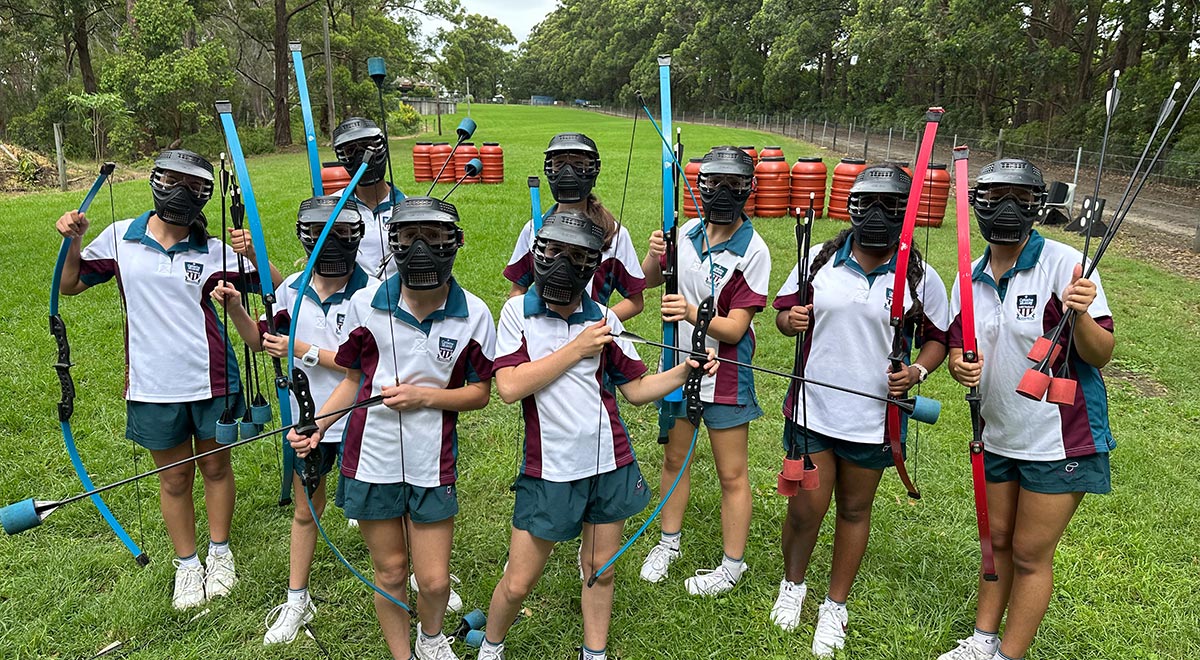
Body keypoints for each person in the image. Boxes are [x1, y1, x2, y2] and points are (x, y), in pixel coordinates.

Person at [476, 211, 716, 660]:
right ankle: (491, 646)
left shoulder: (604, 318)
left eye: (577, 256)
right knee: (519, 580)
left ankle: (595, 653)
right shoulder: (516, 312)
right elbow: (508, 387)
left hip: (610, 464)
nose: (563, 264)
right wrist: (578, 348)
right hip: (549, 469)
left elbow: (638, 390)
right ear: (538, 254)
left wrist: (687, 369)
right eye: (554, 252)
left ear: (592, 266)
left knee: (599, 570)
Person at [54, 150, 276, 609]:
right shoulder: (121, 238)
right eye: (172, 180)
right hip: (152, 385)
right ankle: (188, 565)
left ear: (205, 197)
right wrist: (72, 240)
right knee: (174, 479)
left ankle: (220, 553)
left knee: (215, 467)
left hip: (213, 379)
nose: (181, 192)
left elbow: (273, 287)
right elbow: (70, 284)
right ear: (155, 182)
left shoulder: (215, 250)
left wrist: (252, 249)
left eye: (194, 186)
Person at [287, 196, 495, 660]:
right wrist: (318, 425)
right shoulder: (366, 304)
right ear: (393, 243)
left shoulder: (475, 314)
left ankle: (430, 639)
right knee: (391, 572)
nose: (422, 249)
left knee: (436, 579)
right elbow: (352, 381)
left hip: (432, 461)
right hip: (372, 459)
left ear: (455, 243)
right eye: (407, 237)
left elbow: (480, 393)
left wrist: (426, 396)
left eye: (435, 237)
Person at [938, 159, 1115, 660]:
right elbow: (961, 344)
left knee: (1030, 554)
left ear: (1038, 205)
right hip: (997, 433)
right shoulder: (967, 277)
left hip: (1059, 438)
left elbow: (1100, 353)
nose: (1007, 209)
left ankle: (1009, 655)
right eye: (994, 197)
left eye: (1020, 197)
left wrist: (1079, 313)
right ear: (977, 205)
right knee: (995, 544)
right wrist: (957, 365)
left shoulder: (1065, 264)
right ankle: (982, 641)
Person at [770, 164, 949, 656]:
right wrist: (792, 319)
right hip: (812, 411)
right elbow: (784, 315)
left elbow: (938, 338)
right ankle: (793, 586)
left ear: (905, 213)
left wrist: (916, 373)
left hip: (875, 421)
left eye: (890, 206)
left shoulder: (919, 274)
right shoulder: (817, 260)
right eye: (866, 203)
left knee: (853, 509)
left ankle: (835, 606)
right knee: (806, 509)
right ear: (850, 207)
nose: (876, 215)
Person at [212, 195, 371, 644]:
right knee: (306, 511)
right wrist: (236, 310)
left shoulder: (374, 293)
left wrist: (302, 350)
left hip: (362, 420)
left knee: (389, 509)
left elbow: (367, 370)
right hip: (308, 422)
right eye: (322, 234)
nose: (332, 244)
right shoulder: (290, 290)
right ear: (305, 237)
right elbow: (262, 339)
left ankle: (421, 576)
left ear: (356, 237)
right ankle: (297, 599)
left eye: (341, 233)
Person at [637, 146, 771, 596]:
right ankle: (668, 544)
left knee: (731, 473)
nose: (724, 193)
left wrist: (692, 312)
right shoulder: (688, 231)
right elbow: (650, 279)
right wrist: (658, 252)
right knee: (675, 459)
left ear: (748, 189)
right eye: (715, 183)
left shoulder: (754, 250)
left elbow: (734, 330)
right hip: (678, 367)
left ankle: (733, 566)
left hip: (726, 376)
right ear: (702, 186)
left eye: (735, 184)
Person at [503, 132, 645, 321]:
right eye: (559, 164)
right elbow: (517, 290)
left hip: (591, 343)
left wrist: (596, 324)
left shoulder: (615, 234)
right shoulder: (534, 228)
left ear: (594, 170)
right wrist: (525, 325)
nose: (567, 173)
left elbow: (635, 301)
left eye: (579, 165)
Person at [329, 117, 406, 278]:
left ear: (382, 146)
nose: (363, 156)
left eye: (368, 146)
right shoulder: (330, 209)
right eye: (351, 150)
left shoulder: (407, 208)